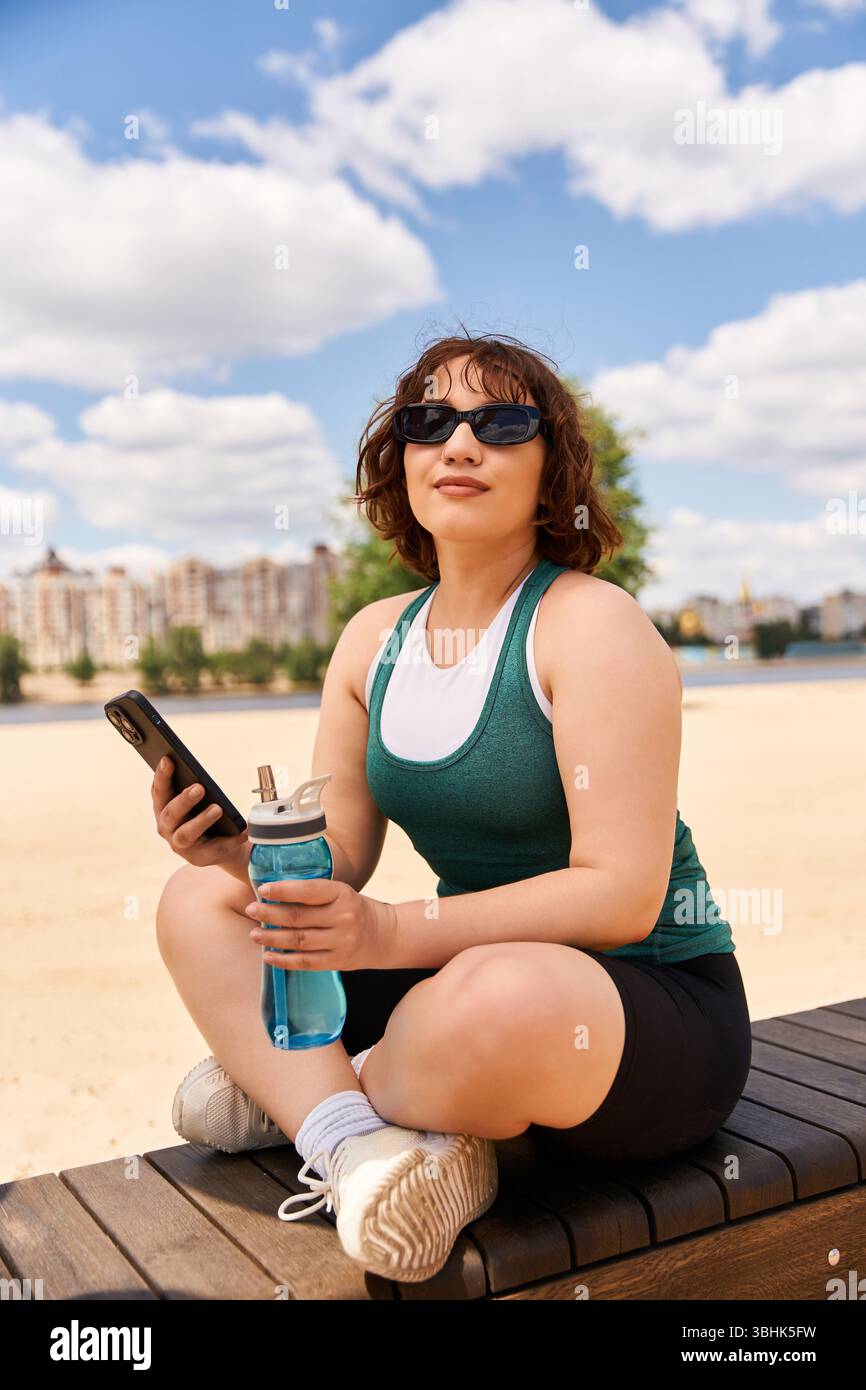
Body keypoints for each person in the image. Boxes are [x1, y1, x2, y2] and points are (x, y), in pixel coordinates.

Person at [154, 330, 752, 1286]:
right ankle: (362, 1144)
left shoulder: (591, 624)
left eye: (501, 422)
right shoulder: (369, 640)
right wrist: (233, 855)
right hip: (457, 972)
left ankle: (307, 1099)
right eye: (429, 421)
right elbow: (339, 855)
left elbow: (623, 896)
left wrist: (385, 931)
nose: (459, 444)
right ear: (402, 458)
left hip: (635, 1008)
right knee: (194, 904)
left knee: (489, 999)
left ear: (552, 468)